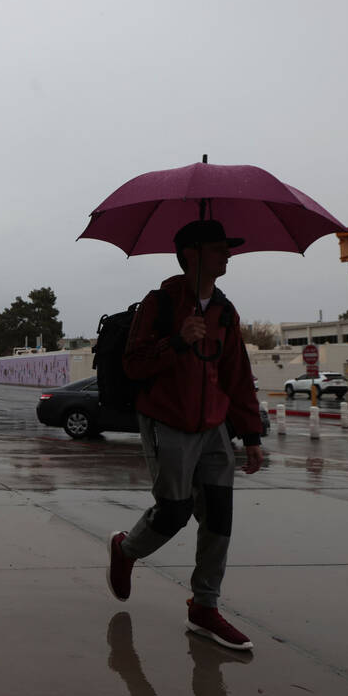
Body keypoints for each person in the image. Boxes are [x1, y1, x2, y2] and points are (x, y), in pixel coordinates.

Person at [106, 219, 264, 651]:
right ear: (190, 254)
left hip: (214, 427)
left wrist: (251, 434)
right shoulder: (158, 303)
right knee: (174, 511)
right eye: (219, 248)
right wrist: (176, 341)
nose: (228, 255)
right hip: (166, 420)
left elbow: (236, 374)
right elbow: (133, 365)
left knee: (219, 517)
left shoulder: (225, 311)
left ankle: (205, 607)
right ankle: (126, 550)